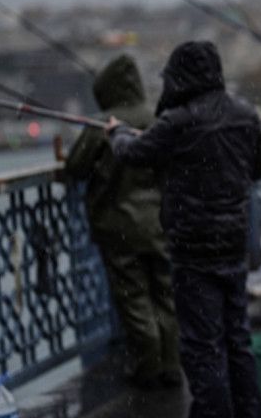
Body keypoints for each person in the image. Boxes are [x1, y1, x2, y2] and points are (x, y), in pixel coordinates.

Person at [107, 40, 261, 418]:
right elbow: (256, 170)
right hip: (234, 243)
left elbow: (132, 155)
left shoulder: (177, 121)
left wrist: (118, 132)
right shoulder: (245, 115)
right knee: (238, 343)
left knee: (202, 351)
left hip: (192, 248)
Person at [64, 54, 179, 390]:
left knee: (134, 296)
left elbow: (75, 167)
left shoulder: (103, 124)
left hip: (119, 225)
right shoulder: (158, 118)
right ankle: (171, 363)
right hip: (160, 222)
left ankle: (147, 366)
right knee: (164, 294)